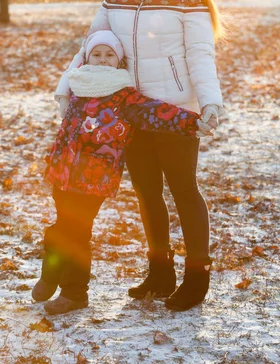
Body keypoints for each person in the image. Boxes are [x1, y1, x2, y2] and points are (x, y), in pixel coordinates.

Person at [55, 0, 224, 311]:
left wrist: (210, 101)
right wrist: (65, 87)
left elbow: (201, 54)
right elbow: (90, 47)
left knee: (183, 189)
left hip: (176, 110)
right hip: (129, 110)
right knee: (147, 192)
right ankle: (160, 272)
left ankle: (197, 277)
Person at [33, 30, 213, 315]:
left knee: (77, 231)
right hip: (63, 173)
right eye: (97, 54)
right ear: (87, 57)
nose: (102, 60)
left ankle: (74, 292)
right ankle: (49, 273)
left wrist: (192, 122)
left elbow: (157, 112)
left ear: (119, 61)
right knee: (60, 227)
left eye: (109, 55)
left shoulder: (123, 94)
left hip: (94, 178)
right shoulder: (77, 84)